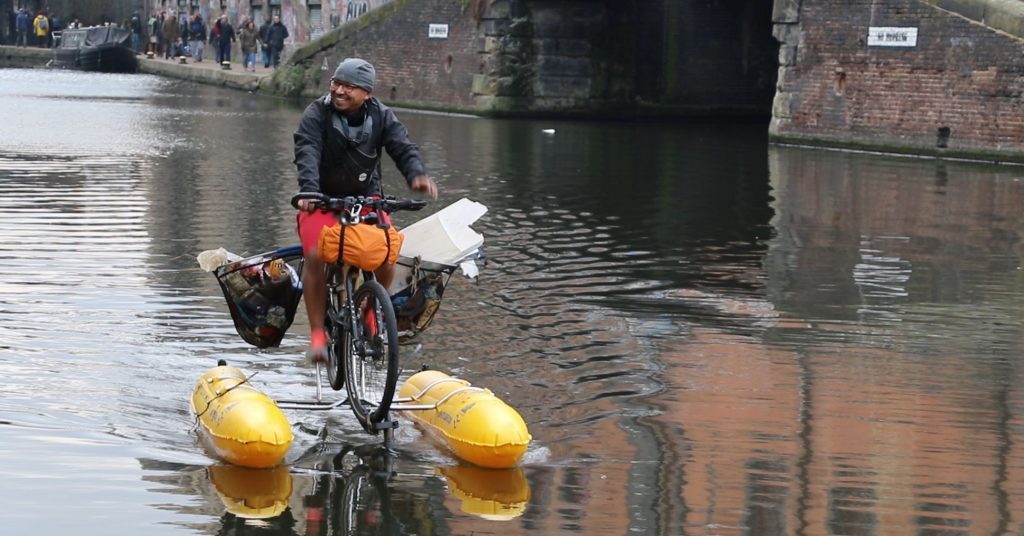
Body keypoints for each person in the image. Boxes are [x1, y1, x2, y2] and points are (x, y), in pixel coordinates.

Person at [292, 58, 437, 362]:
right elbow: (307, 149)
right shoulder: (317, 113)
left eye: (348, 86)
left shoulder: (382, 116)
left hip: (365, 198)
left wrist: (417, 175)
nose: (339, 90)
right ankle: (318, 333)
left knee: (387, 249)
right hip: (321, 198)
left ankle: (371, 306)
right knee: (316, 255)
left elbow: (402, 146)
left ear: (367, 93)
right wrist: (309, 191)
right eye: (336, 83)